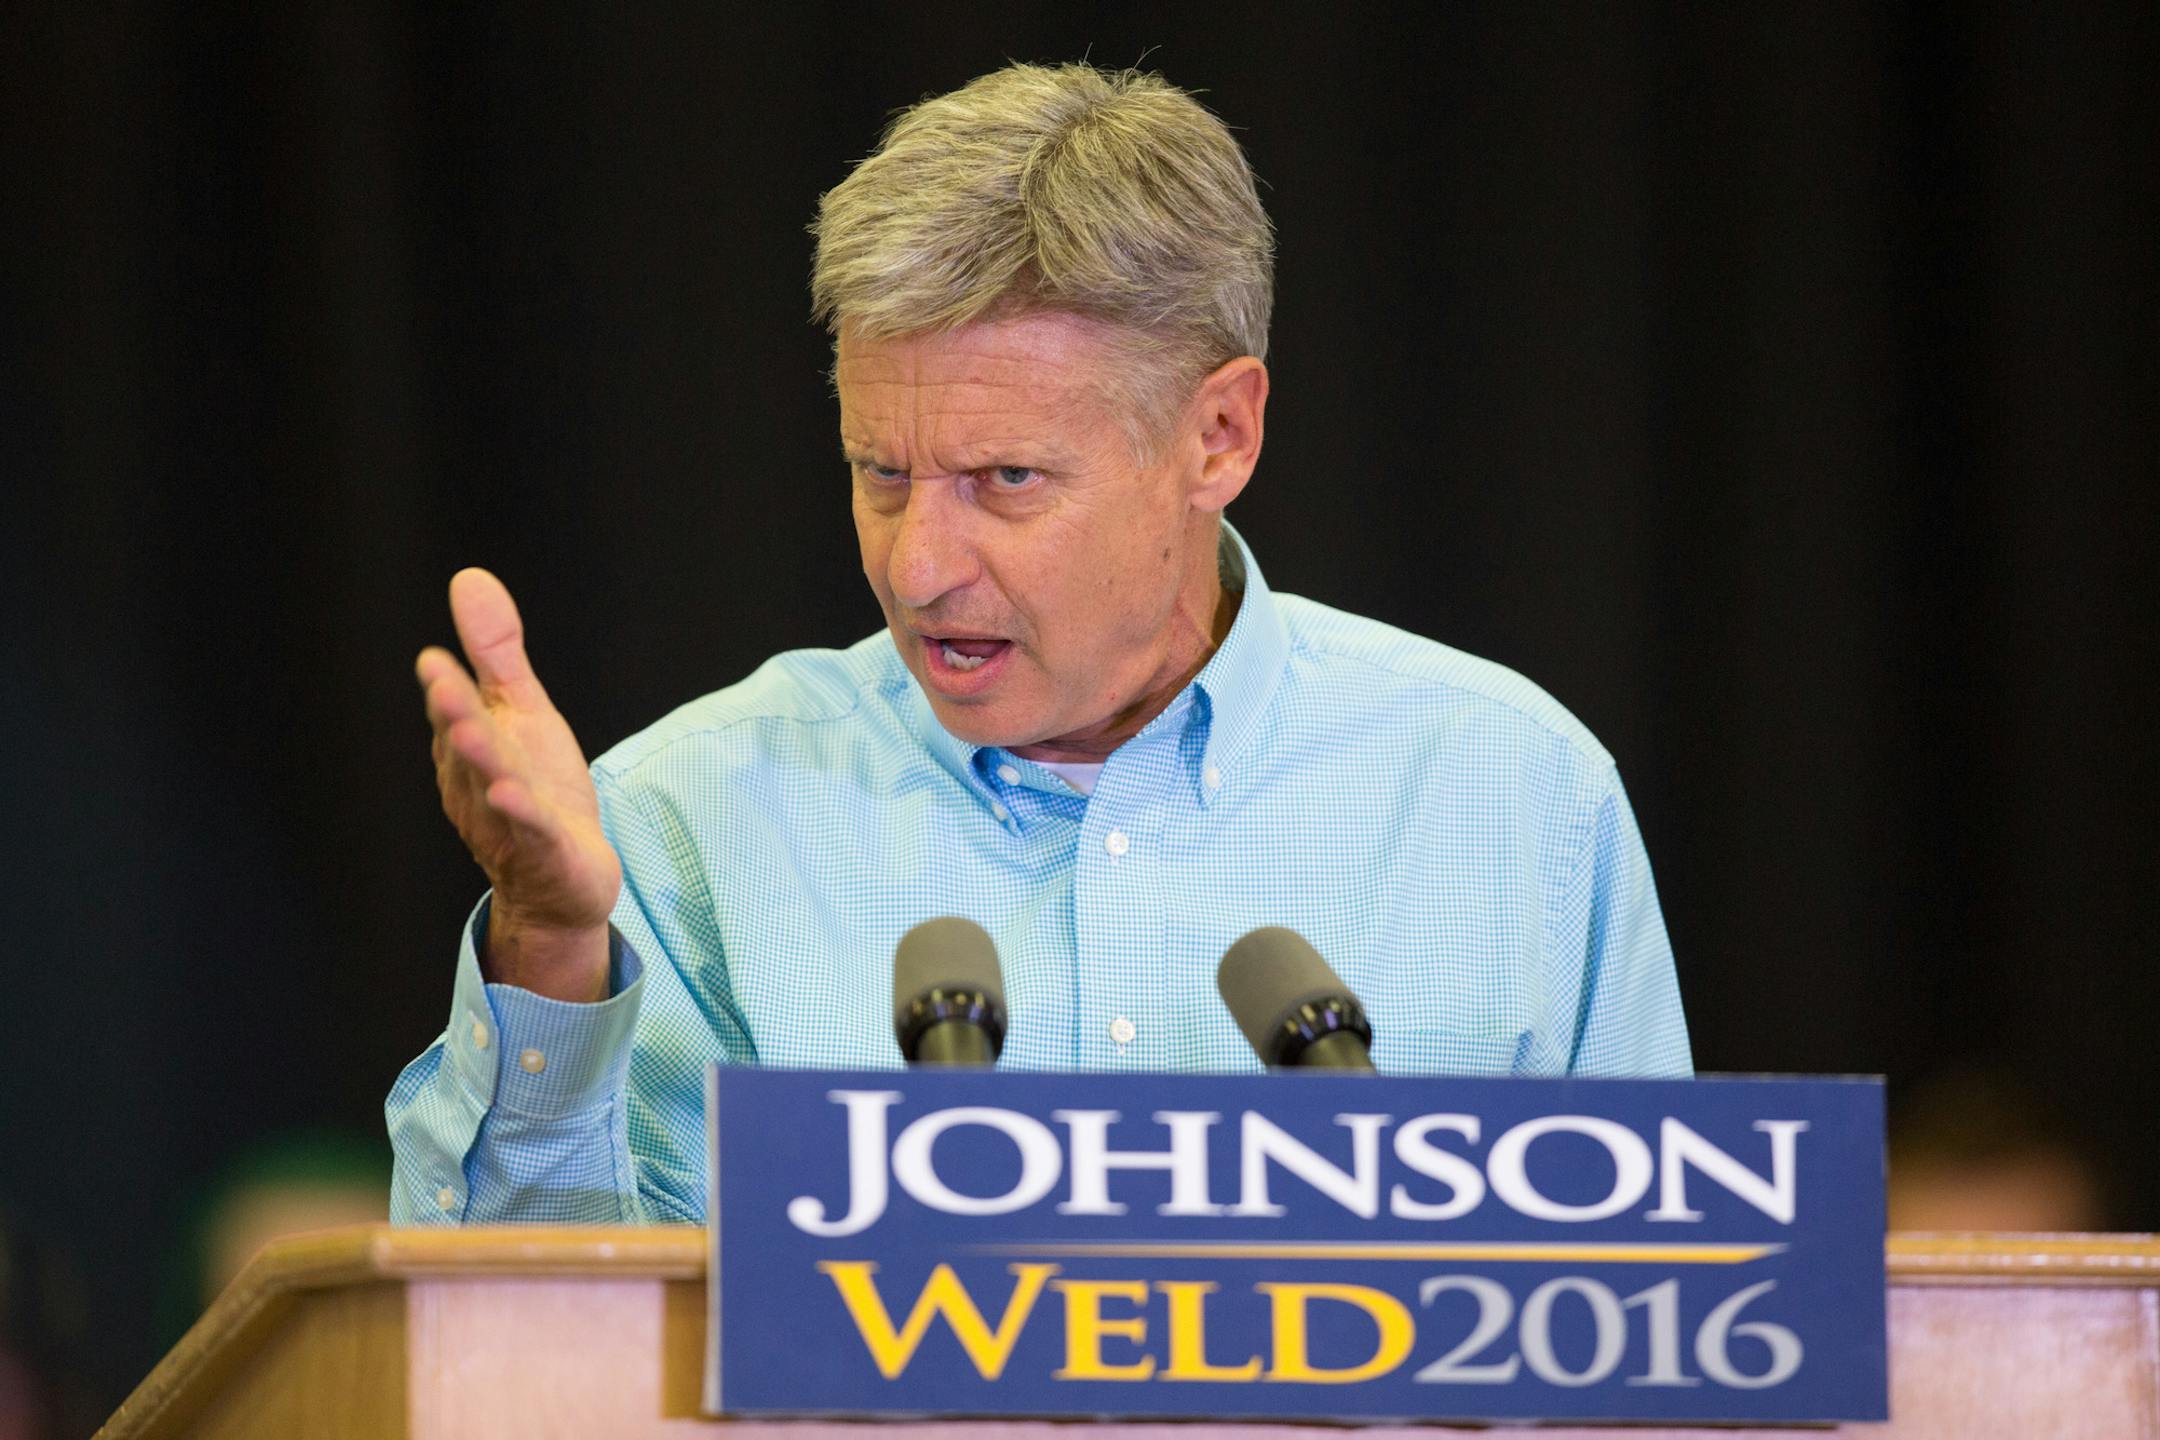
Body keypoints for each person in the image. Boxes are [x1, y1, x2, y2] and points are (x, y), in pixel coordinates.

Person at [388, 62, 1689, 1226]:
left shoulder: (1515, 795)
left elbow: (1673, 1328)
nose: (918, 563)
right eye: (880, 472)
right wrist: (554, 953)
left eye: (1005, 478)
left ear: (1218, 438)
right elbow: (518, 1356)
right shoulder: (682, 826)